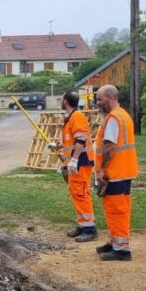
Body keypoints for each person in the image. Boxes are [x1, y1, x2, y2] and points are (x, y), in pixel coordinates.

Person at [93, 85, 137, 261]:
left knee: (117, 210)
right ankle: (113, 242)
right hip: (123, 170)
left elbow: (110, 147)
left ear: (110, 98)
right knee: (114, 210)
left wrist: (101, 169)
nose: (98, 103)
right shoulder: (123, 115)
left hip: (115, 172)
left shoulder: (113, 118)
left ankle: (121, 249)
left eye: (100, 99)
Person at [54, 91, 97, 242]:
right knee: (76, 193)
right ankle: (82, 225)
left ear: (65, 101)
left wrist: (74, 160)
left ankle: (89, 228)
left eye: (61, 99)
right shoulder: (71, 117)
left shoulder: (76, 116)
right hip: (77, 162)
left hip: (81, 162)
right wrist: (59, 145)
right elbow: (73, 141)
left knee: (81, 194)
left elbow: (81, 139)